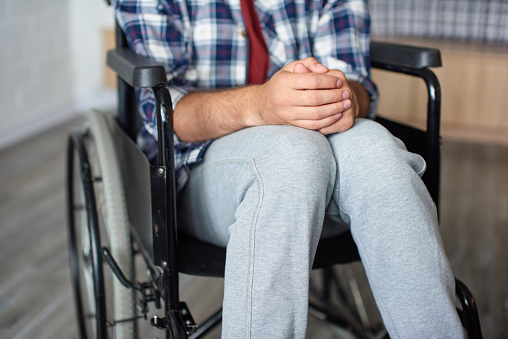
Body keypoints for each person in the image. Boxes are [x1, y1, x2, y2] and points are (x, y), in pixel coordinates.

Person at [112, 0, 464, 337]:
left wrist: (342, 97)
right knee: (293, 154)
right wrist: (261, 104)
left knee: (378, 153)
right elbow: (166, 114)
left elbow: (356, 80)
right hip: (197, 164)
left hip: (320, 144)